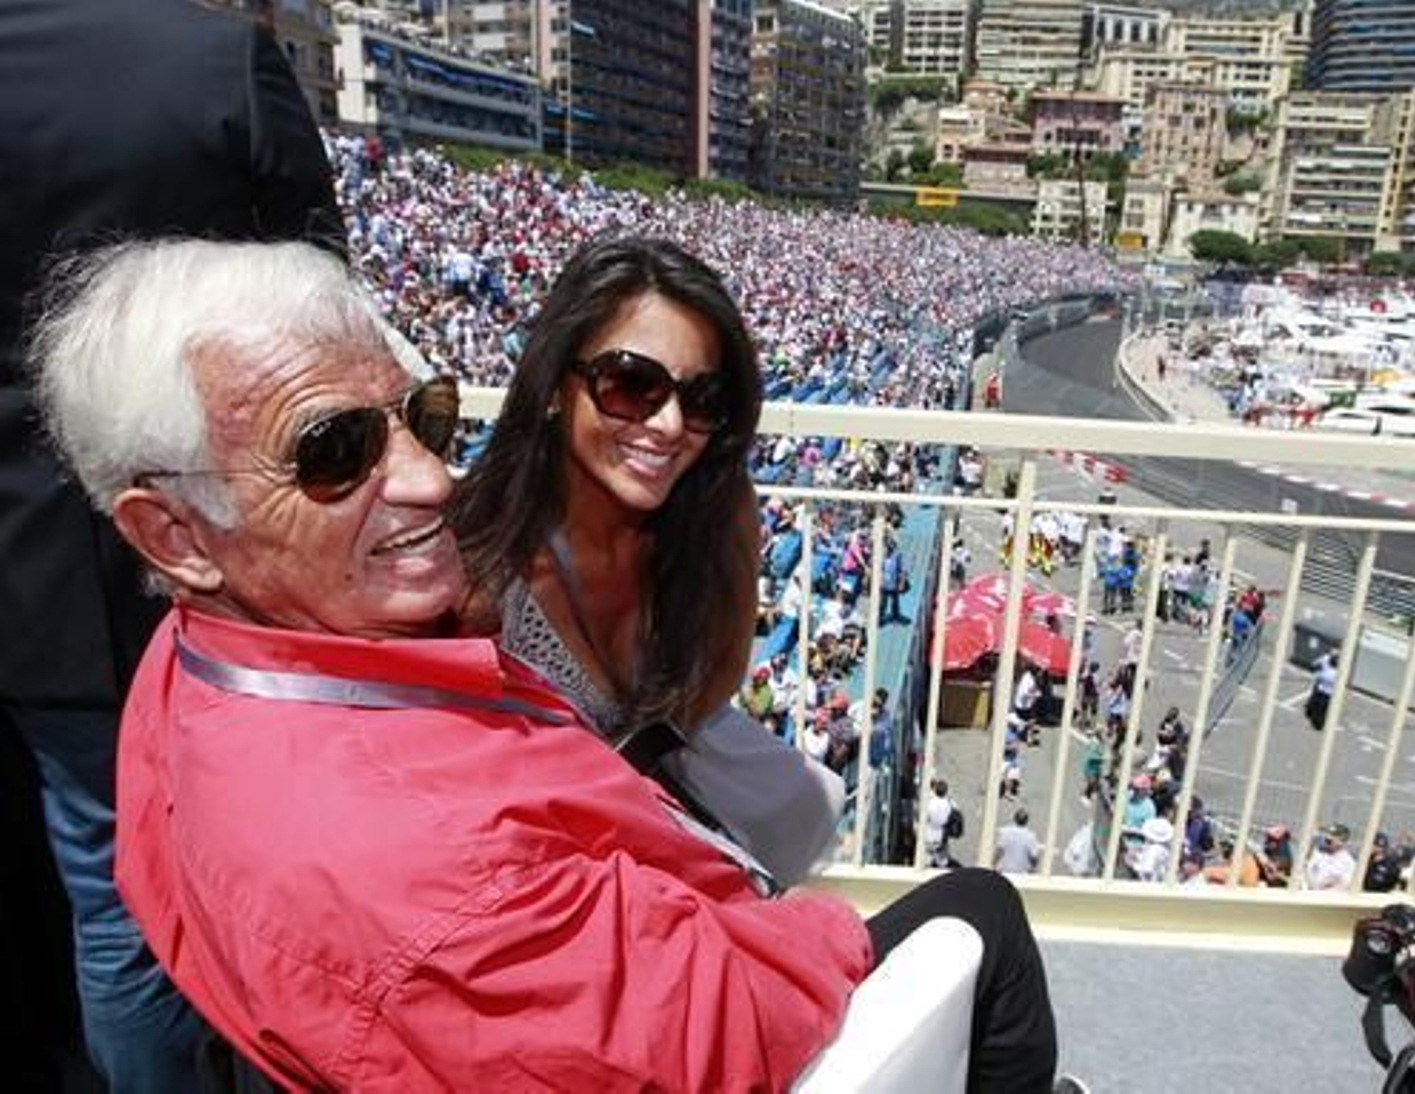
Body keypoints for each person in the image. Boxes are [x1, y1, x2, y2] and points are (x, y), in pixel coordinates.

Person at [31, 238, 1061, 1092]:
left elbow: (688, 707)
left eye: (422, 419)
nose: (428, 478)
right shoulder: (427, 803)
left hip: (616, 888)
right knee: (980, 911)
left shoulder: (195, 660)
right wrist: (794, 925)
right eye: (336, 450)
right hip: (668, 957)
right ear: (172, 533)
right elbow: (703, 1026)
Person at [0, 3, 343, 1088]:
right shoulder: (212, 61)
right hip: (204, 543)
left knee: (99, 883)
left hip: (28, 577)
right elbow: (322, 302)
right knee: (177, 887)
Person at [451, 236, 838, 887]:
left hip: (652, 824)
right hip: (552, 872)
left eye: (702, 398)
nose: (667, 424)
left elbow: (715, 678)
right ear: (554, 386)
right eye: (631, 384)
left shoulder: (717, 509)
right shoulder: (478, 581)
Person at [1303, 823, 1357, 891]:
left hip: (1329, 898)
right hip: (1309, 894)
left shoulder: (1348, 862)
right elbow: (1306, 871)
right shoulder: (1318, 853)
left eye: (1331, 839)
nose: (1327, 839)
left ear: (1341, 841)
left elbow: (1345, 885)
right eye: (1327, 837)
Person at [993, 809, 1042, 875]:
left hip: (1005, 870)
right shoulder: (1030, 836)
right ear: (1027, 821)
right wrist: (1033, 868)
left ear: (1014, 819)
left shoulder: (1005, 832)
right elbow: (1034, 857)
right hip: (1022, 873)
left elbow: (999, 851)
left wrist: (993, 865)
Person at [1305, 651, 1338, 731]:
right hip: (1324, 691)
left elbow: (1318, 675)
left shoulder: (1331, 672)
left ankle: (1318, 721)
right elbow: (1314, 665)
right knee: (1320, 706)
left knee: (1321, 707)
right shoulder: (1326, 660)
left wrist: (1316, 675)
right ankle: (1312, 712)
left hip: (1325, 693)